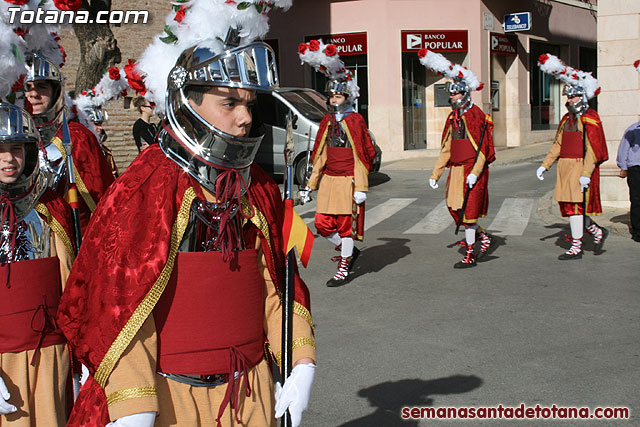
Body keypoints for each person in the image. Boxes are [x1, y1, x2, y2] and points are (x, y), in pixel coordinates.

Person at [57, 1, 316, 426]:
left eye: (249, 104)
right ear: (189, 102)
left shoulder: (259, 188)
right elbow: (120, 307)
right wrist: (132, 403)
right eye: (229, 103)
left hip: (249, 393)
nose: (245, 117)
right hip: (172, 398)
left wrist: (301, 357)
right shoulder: (144, 187)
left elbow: (278, 283)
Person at [0, 103, 75, 425]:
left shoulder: (49, 209)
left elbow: (72, 286)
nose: (8, 159)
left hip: (51, 358)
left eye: (16, 149)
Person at [298, 40, 376, 286]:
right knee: (322, 224)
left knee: (345, 226)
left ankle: (344, 266)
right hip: (330, 181)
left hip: (349, 181)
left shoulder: (355, 120)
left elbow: (362, 155)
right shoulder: (326, 121)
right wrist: (310, 184)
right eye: (331, 95)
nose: (334, 99)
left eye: (338, 95)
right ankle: (348, 251)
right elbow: (320, 155)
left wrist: (362, 187)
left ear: (347, 96)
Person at [419, 49, 495, 268]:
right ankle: (482, 235)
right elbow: (446, 149)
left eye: (454, 94)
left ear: (464, 94)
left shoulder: (475, 115)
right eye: (450, 94)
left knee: (469, 213)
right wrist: (436, 173)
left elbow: (483, 149)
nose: (451, 97)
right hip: (456, 170)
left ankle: (471, 253)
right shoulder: (452, 118)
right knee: (455, 208)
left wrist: (475, 173)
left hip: (472, 170)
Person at [24, 53, 115, 233]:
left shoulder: (77, 137)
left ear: (55, 92)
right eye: (27, 88)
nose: (33, 94)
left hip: (71, 239)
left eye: (41, 87)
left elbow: (103, 200)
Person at [536, 53, 609, 259]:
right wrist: (546, 164)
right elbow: (558, 144)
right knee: (569, 206)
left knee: (577, 207)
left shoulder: (589, 118)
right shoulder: (567, 118)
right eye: (568, 97)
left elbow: (593, 149)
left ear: (582, 96)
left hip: (579, 166)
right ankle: (595, 230)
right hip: (565, 167)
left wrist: (586, 172)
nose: (570, 100)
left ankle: (577, 246)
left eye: (573, 96)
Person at [616, 122, 640, 242]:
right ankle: (637, 231)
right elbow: (624, 148)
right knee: (636, 200)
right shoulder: (633, 129)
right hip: (636, 169)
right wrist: (623, 167)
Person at [87, 107, 119, 178]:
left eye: (100, 124)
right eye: (96, 124)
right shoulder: (81, 148)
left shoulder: (106, 151)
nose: (100, 128)